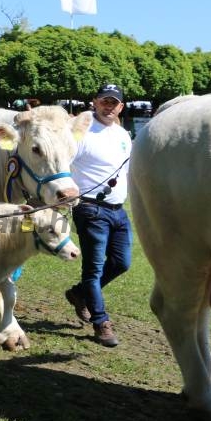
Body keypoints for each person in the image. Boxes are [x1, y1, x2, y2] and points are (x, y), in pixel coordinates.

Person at [64, 83, 133, 347]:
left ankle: (79, 294)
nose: (109, 106)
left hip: (118, 210)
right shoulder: (81, 132)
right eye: (105, 101)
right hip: (90, 208)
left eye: (114, 103)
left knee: (121, 263)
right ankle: (101, 322)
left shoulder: (123, 135)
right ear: (95, 102)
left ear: (121, 107)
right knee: (93, 269)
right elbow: (64, 165)